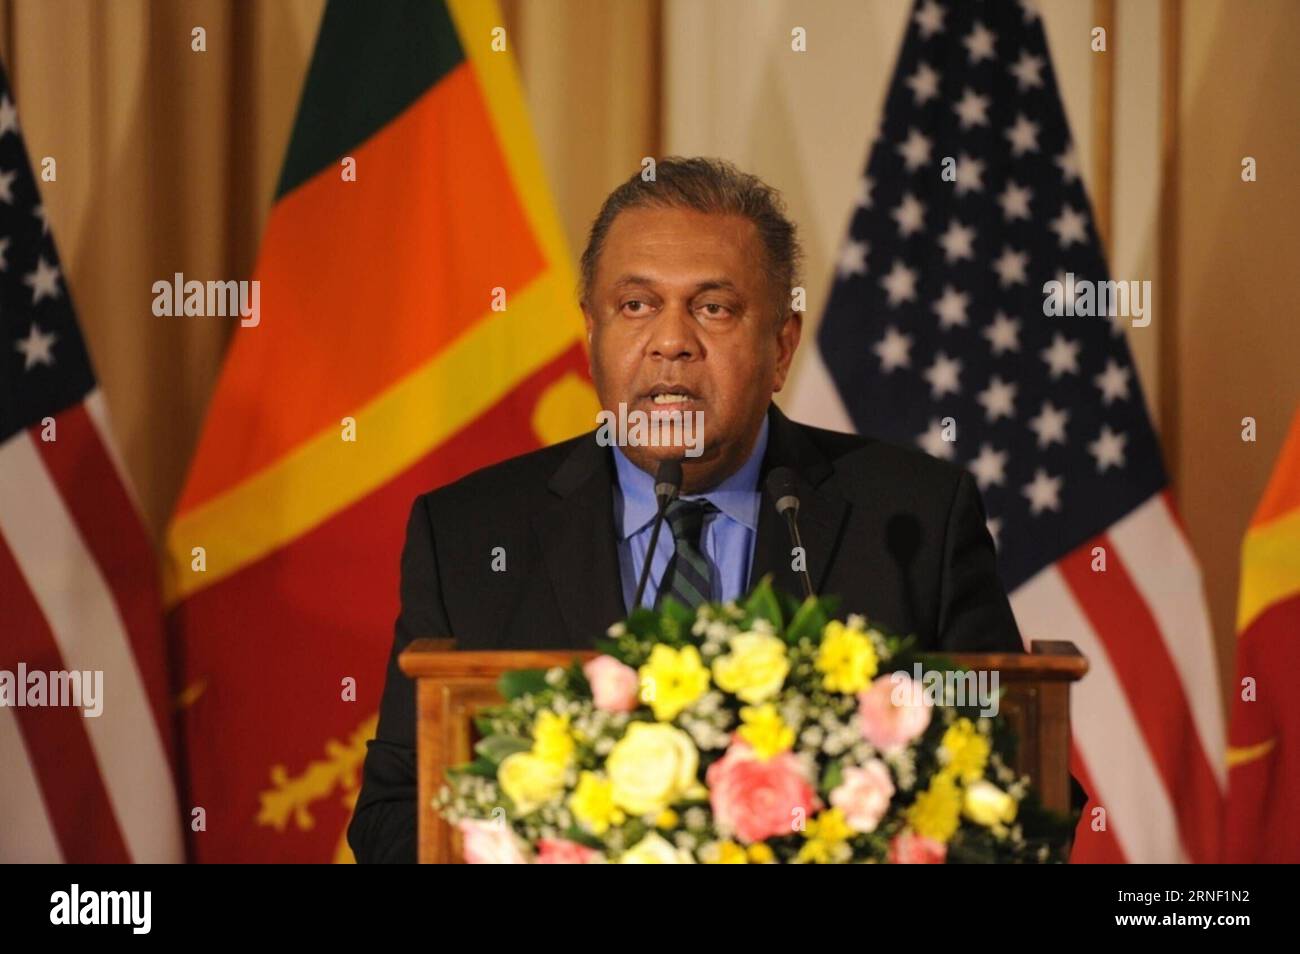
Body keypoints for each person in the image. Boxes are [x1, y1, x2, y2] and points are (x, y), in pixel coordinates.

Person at [348, 157, 1022, 863]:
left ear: (781, 346)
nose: (671, 341)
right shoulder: (468, 535)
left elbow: (1018, 788)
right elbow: (394, 815)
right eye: (636, 305)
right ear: (591, 333)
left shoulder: (914, 521)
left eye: (714, 308)